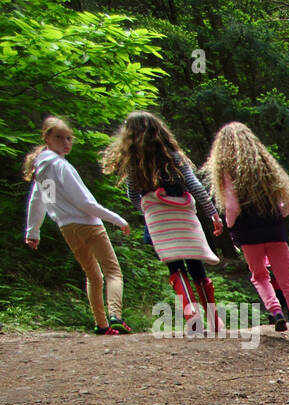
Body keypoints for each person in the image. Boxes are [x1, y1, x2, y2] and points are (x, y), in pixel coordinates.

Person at [101, 111, 223, 334]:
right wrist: (213, 214)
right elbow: (194, 186)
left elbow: (133, 195)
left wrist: (148, 211)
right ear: (160, 131)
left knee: (174, 265)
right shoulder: (174, 157)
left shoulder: (134, 163)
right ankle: (214, 320)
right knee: (196, 263)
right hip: (183, 215)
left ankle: (191, 315)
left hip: (158, 220)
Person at [23, 116, 133, 335]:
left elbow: (39, 200)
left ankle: (102, 325)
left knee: (93, 275)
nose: (66, 143)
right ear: (46, 138)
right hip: (89, 225)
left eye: (69, 138)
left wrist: (33, 230)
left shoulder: (42, 168)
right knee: (113, 272)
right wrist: (117, 219)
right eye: (60, 138)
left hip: (68, 228)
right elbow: (84, 203)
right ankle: (115, 317)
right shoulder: (61, 166)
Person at [203, 122, 289, 343]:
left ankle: (276, 311)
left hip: (247, 233)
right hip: (274, 229)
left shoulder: (227, 172)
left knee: (259, 276)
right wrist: (275, 214)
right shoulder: (267, 168)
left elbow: (232, 207)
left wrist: (231, 225)